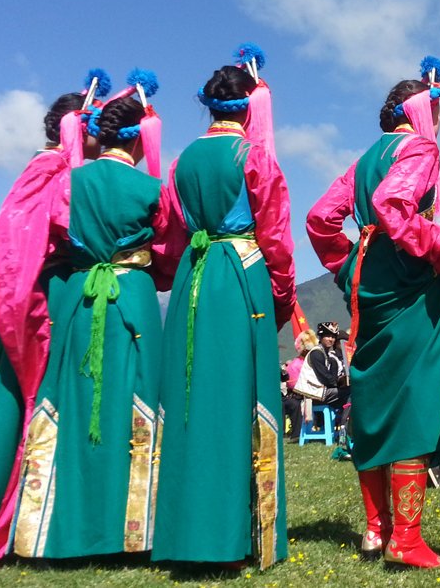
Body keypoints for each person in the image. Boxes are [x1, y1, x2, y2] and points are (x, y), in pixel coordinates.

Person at [306, 56, 440, 569]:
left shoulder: (363, 160)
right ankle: (406, 539)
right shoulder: (420, 147)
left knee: (377, 404)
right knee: (415, 405)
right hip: (410, 288)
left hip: (371, 287)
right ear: (426, 111)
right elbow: (393, 205)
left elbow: (320, 218)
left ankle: (375, 530)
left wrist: (346, 266)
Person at [0, 71, 109, 574]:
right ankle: (8, 516)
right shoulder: (50, 167)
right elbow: (9, 238)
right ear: (77, 128)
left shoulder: (60, 167)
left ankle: (34, 514)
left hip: (44, 292)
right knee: (24, 402)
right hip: (42, 297)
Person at [9, 69, 180, 560]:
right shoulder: (152, 191)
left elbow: (52, 237)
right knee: (139, 404)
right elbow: (167, 249)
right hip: (135, 296)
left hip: (80, 295)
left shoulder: (70, 181)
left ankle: (54, 529)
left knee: (70, 400)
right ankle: (134, 534)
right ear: (141, 138)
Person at [152, 45, 296, 569]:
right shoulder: (254, 157)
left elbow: (167, 235)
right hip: (242, 274)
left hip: (195, 275)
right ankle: (241, 532)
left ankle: (183, 533)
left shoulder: (181, 161)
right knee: (242, 397)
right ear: (249, 107)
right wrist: (282, 297)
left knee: (190, 398)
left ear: (207, 106)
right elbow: (276, 235)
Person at [283, 329, 319, 442]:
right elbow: (294, 384)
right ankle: (298, 433)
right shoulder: (295, 365)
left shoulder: (313, 361)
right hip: (300, 395)